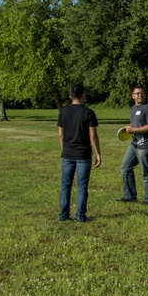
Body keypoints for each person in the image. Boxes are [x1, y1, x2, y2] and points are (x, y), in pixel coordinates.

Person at [57, 83, 101, 222]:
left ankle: (63, 215)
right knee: (82, 186)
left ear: (70, 96)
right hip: (83, 154)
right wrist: (98, 153)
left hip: (68, 153)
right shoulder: (88, 112)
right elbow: (92, 135)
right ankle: (80, 216)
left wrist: (63, 149)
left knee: (65, 186)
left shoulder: (63, 112)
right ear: (83, 95)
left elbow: (60, 134)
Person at [119, 85, 148, 204]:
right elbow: (134, 123)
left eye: (142, 93)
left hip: (146, 145)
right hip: (134, 144)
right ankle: (130, 196)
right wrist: (128, 127)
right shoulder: (134, 109)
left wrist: (134, 130)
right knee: (125, 168)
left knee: (146, 171)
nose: (140, 95)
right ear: (133, 96)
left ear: (145, 95)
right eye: (137, 93)